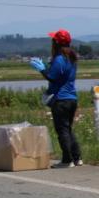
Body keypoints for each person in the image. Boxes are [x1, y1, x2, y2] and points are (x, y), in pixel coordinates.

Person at [30, 29, 83, 167]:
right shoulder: (72, 58)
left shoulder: (59, 59)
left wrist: (41, 69)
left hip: (61, 100)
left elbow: (52, 77)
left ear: (56, 43)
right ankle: (77, 158)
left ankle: (67, 160)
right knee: (68, 128)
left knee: (62, 130)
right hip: (72, 98)